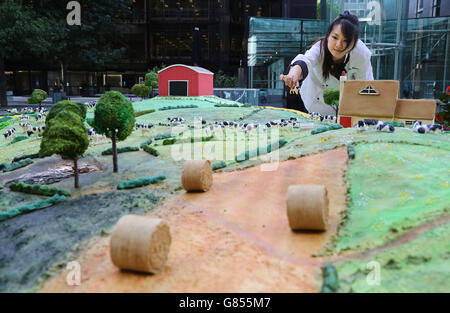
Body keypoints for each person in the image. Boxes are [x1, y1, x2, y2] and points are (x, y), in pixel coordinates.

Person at [280, 11, 373, 116]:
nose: (338, 45)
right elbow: (305, 61)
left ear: (354, 43)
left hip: (346, 102)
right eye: (335, 37)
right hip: (317, 99)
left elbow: (364, 86)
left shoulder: (361, 54)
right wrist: (293, 74)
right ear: (328, 35)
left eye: (346, 40)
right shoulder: (319, 49)